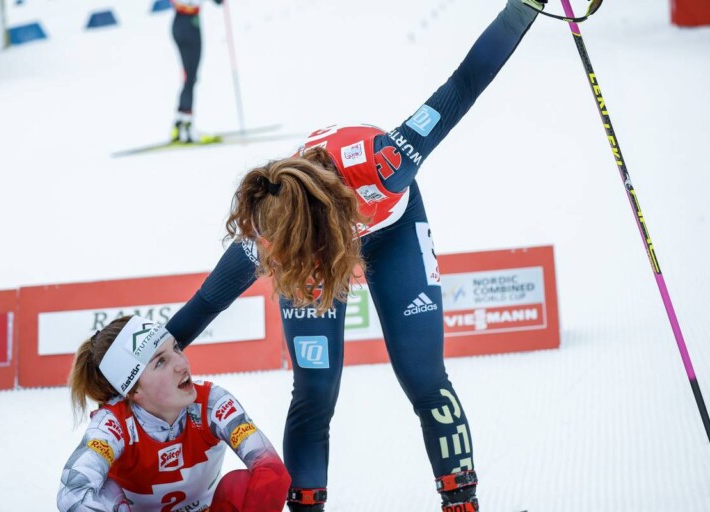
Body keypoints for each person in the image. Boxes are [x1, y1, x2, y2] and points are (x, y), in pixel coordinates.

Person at [166, 0, 545, 510]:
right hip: (318, 238)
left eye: (280, 257)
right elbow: (205, 304)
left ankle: (462, 502)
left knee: (424, 376)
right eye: (271, 257)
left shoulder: (383, 164)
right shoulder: (273, 217)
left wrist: (523, 8)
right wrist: (134, 364)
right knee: (315, 391)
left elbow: (462, 86)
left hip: (392, 234)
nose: (271, 263)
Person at [57, 315, 291, 512]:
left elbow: (272, 469)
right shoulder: (112, 425)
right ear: (133, 390)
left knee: (240, 486)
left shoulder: (212, 403)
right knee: (105, 490)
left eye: (176, 348)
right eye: (160, 362)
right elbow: (71, 494)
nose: (182, 364)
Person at [170, 0, 223, 143]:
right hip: (188, 24)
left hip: (183, 22)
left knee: (190, 77)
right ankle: (187, 128)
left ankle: (180, 125)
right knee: (190, 77)